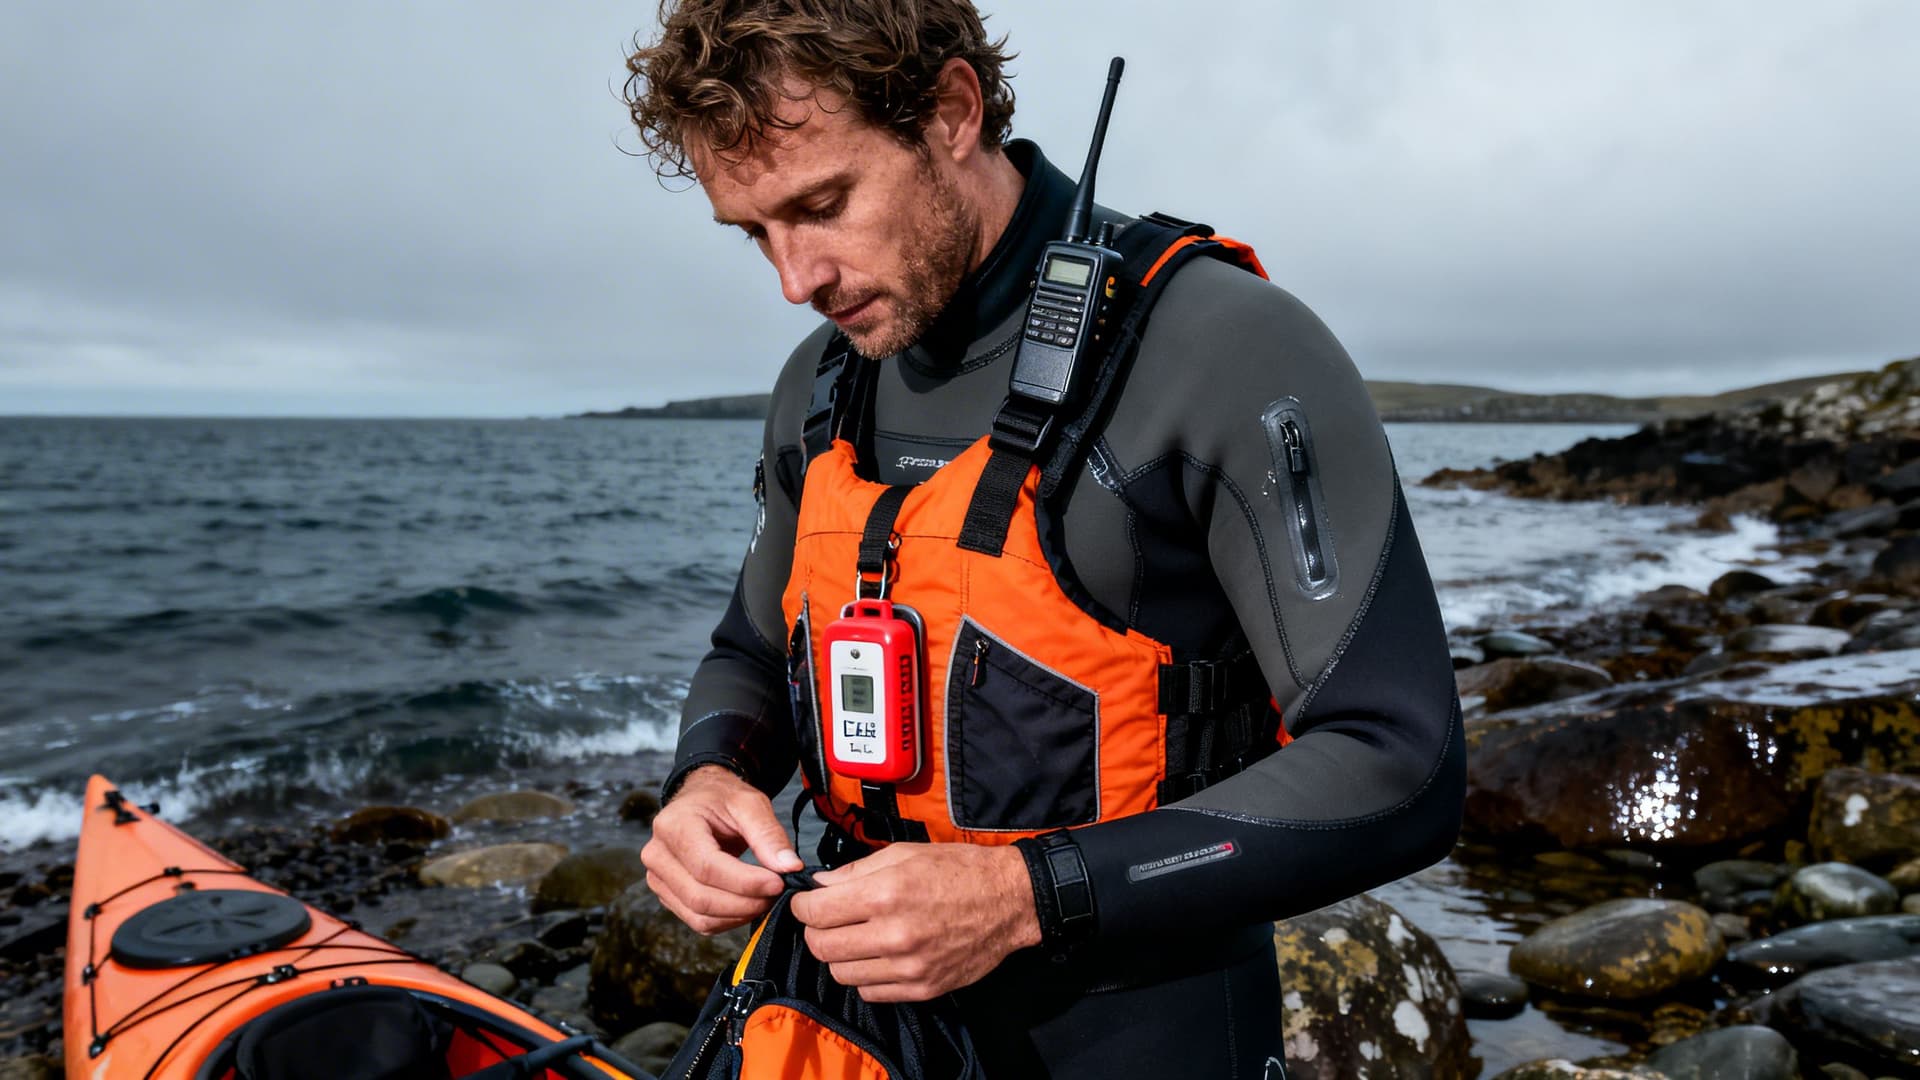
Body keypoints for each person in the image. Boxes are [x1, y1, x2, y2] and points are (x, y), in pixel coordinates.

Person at [627, 2, 1464, 1075]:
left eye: (824, 205)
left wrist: (1029, 896)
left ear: (951, 111)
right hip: (850, 1023)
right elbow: (752, 651)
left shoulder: (1224, 349)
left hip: (1144, 1024)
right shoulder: (818, 387)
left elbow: (1402, 762)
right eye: (755, 233)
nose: (798, 280)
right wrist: (708, 777)